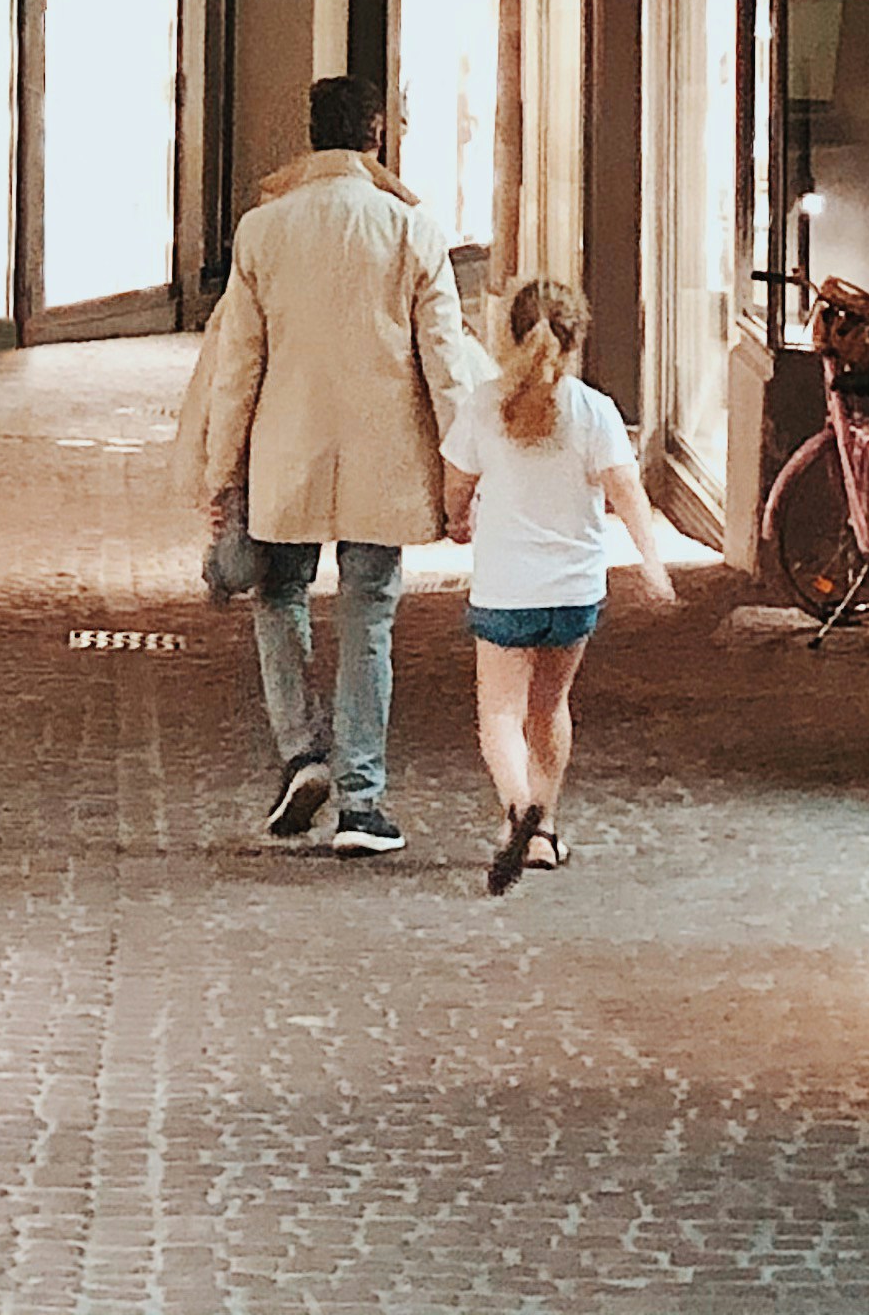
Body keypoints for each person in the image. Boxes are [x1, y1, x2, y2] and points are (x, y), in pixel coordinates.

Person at [201, 73, 474, 857]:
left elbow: (237, 367)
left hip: (285, 453)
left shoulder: (262, 231)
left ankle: (302, 750)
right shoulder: (411, 232)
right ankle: (362, 801)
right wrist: (463, 471)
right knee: (370, 615)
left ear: (312, 133)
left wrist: (223, 473)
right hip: (382, 460)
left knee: (279, 595)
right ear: (376, 135)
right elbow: (446, 361)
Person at [441, 277, 677, 895]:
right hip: (574, 589)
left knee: (499, 712)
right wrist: (652, 564)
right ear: (575, 343)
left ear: (509, 334)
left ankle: (520, 813)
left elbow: (456, 485)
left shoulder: (484, 406)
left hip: (505, 587)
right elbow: (628, 493)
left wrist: (456, 519)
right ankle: (543, 834)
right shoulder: (594, 410)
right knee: (550, 707)